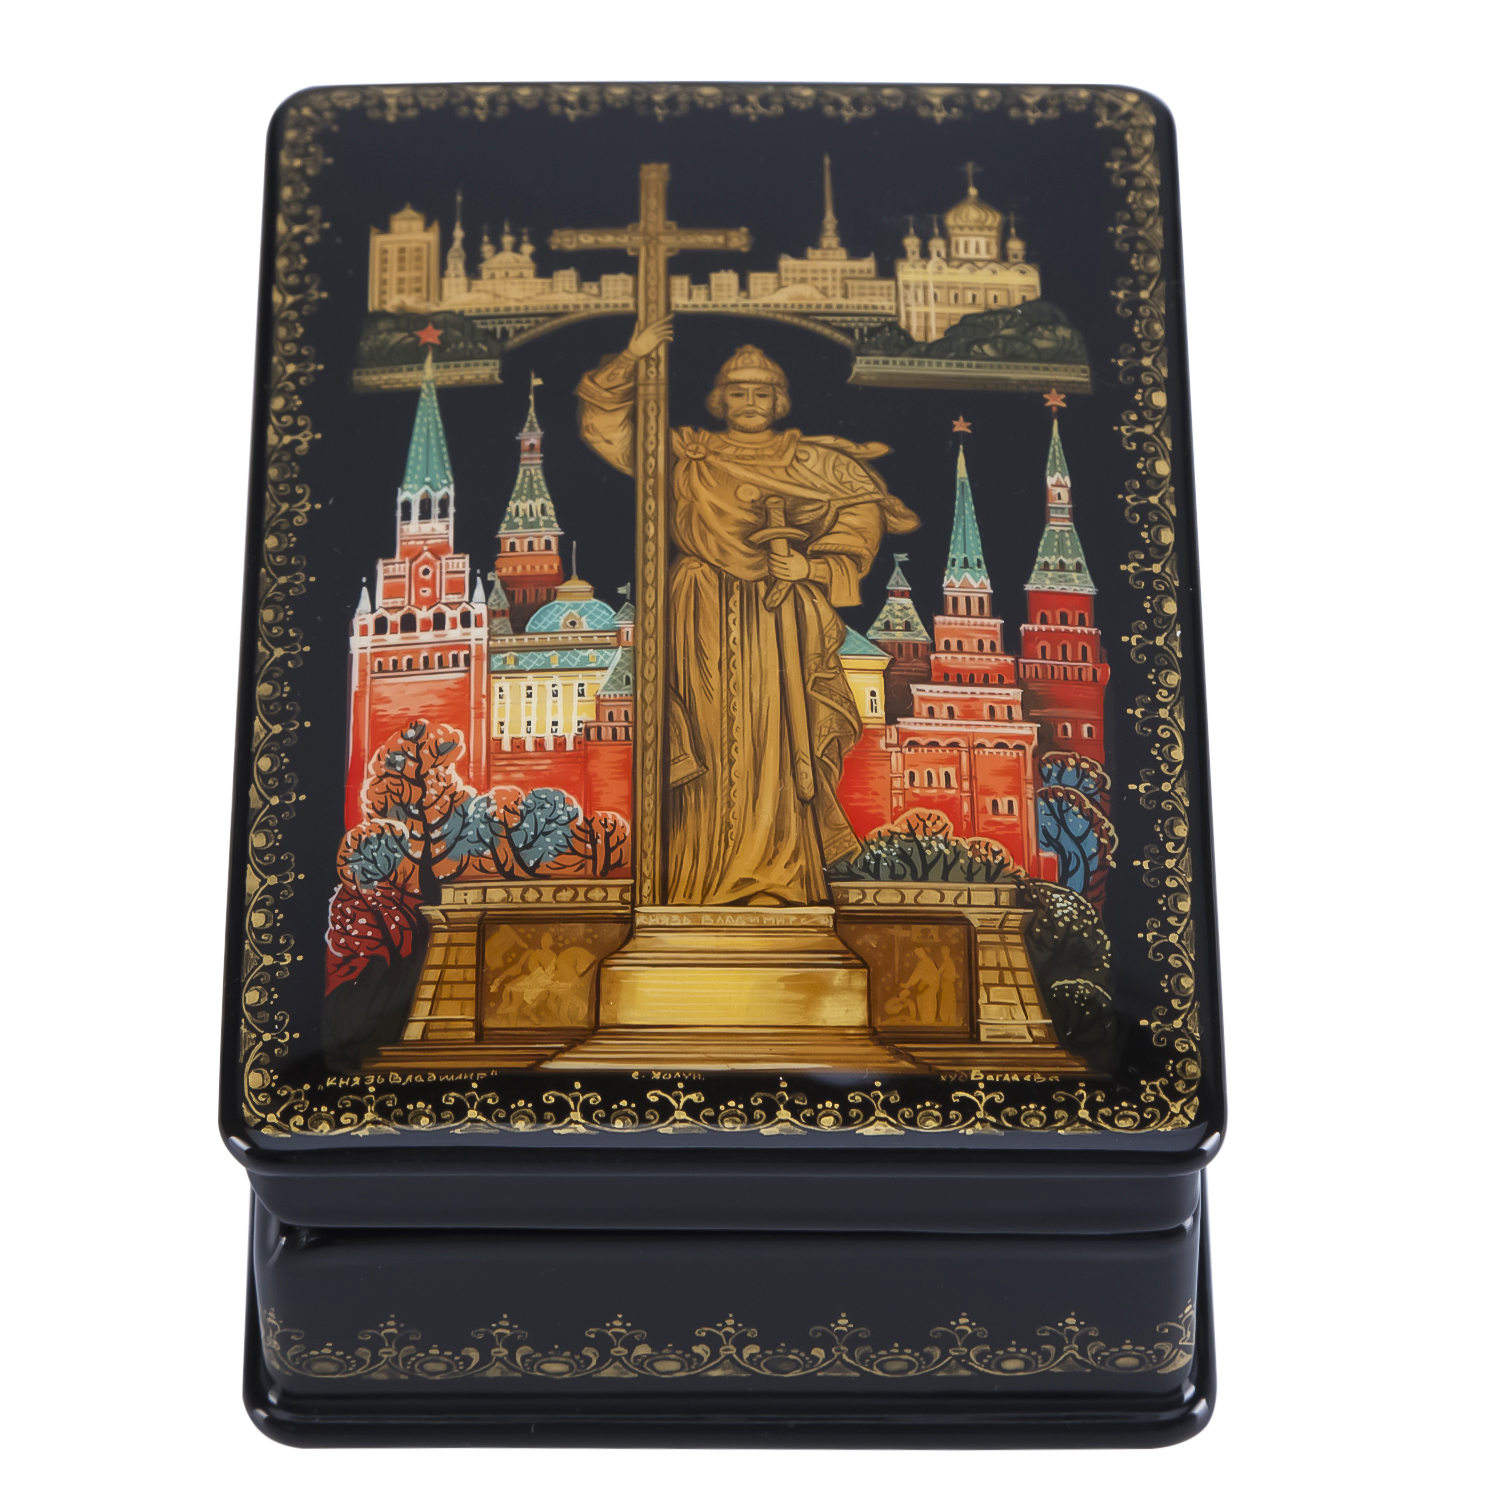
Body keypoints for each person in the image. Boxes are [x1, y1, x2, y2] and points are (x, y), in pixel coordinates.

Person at [577, 322, 918, 905]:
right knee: (705, 741)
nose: (751, 401)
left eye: (763, 392)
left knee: (778, 741)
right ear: (720, 399)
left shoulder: (813, 462)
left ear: (780, 399)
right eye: (738, 391)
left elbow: (863, 516)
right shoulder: (687, 454)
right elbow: (608, 431)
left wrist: (812, 567)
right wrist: (630, 358)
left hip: (778, 613)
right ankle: (696, 880)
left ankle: (779, 877)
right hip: (699, 610)